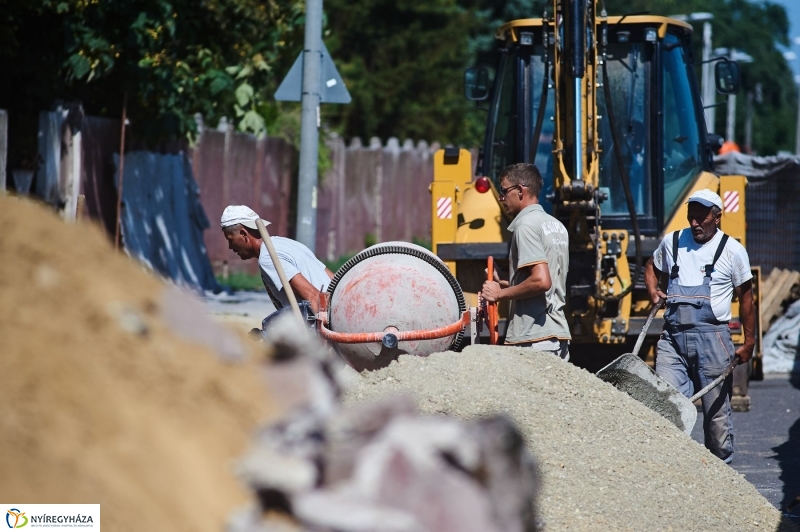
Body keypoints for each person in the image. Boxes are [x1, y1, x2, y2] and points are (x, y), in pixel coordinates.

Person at [644, 189, 755, 463]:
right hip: (673, 340)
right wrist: (653, 291)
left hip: (713, 340)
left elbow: (746, 299)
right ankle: (672, 469)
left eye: (701, 218)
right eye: (691, 217)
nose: (695, 223)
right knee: (665, 406)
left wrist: (749, 342)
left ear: (717, 217)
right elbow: (651, 267)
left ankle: (720, 470)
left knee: (716, 417)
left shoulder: (732, 250)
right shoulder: (672, 242)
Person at [480, 163, 571, 359]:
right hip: (557, 335)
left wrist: (499, 294)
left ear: (520, 190)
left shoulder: (525, 225)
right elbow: (546, 286)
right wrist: (505, 282)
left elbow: (541, 281)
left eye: (504, 191)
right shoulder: (556, 225)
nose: (501, 198)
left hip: (534, 339)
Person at [220, 205, 334, 314]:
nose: (230, 247)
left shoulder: (268, 256)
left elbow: (313, 296)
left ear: (243, 234)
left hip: (326, 316)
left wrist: (325, 322)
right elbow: (334, 280)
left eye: (230, 240)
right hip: (335, 306)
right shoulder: (285, 243)